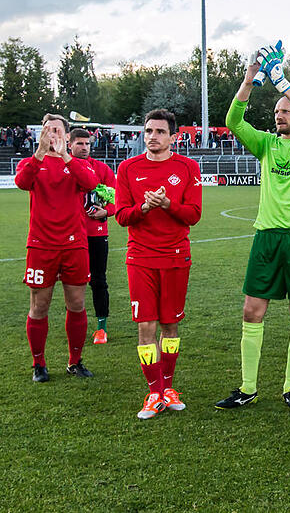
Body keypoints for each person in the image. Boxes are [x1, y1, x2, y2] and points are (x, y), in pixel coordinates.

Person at [215, 42, 290, 410]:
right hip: (266, 237)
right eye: (278, 111)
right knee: (252, 310)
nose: (279, 115)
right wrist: (250, 81)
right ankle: (248, 387)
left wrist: (283, 83)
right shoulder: (265, 144)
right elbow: (234, 121)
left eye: (285, 111)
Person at [115, 109, 202, 419]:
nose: (153, 136)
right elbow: (122, 215)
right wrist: (144, 207)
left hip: (176, 257)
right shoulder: (127, 168)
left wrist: (167, 204)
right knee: (146, 326)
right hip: (140, 257)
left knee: (170, 325)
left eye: (160, 132)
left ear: (172, 137)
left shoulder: (188, 167)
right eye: (149, 131)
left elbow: (193, 214)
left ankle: (168, 387)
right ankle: (153, 393)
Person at [15, 114, 99, 383]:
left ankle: (75, 361)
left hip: (74, 245)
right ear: (41, 134)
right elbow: (22, 182)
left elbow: (89, 184)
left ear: (66, 135)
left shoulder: (76, 163)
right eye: (48, 130)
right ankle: (38, 364)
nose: (53, 134)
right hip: (41, 246)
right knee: (39, 306)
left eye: (58, 130)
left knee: (76, 304)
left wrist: (66, 157)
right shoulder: (32, 163)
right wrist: (40, 152)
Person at [68, 128, 117, 345]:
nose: (84, 148)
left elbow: (118, 198)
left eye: (87, 144)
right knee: (72, 283)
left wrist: (106, 211)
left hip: (96, 234)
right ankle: (76, 324)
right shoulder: (63, 168)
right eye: (79, 144)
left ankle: (101, 328)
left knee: (99, 280)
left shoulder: (102, 169)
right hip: (69, 235)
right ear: (69, 144)